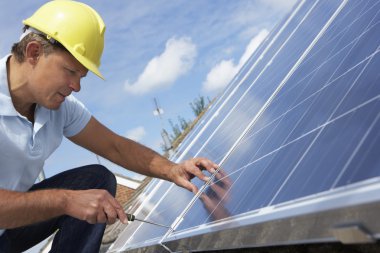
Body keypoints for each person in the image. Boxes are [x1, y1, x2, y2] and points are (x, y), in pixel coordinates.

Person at [0, 1, 218, 252]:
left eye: (81, 77)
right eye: (70, 71)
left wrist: (172, 170)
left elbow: (115, 146)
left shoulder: (59, 107)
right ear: (34, 53)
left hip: (9, 229)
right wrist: (66, 200)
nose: (76, 87)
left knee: (96, 180)